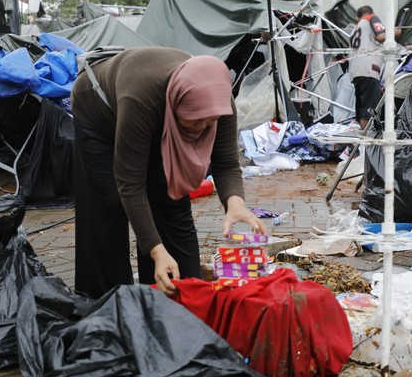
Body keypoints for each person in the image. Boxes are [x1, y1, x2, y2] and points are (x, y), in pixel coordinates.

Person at [70, 46, 266, 299]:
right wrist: (156, 250)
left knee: (171, 199)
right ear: (176, 105)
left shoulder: (219, 101)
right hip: (99, 112)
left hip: (156, 114)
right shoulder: (142, 98)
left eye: (209, 123)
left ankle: (179, 296)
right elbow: (130, 183)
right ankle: (109, 302)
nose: (200, 129)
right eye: (194, 121)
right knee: (110, 205)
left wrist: (235, 203)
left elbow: (226, 164)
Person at [348, 5, 401, 130]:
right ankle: (367, 140)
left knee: (361, 111)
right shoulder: (371, 18)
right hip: (369, 70)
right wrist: (395, 32)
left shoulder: (354, 31)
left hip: (355, 72)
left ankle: (362, 138)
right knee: (369, 112)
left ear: (357, 18)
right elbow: (381, 36)